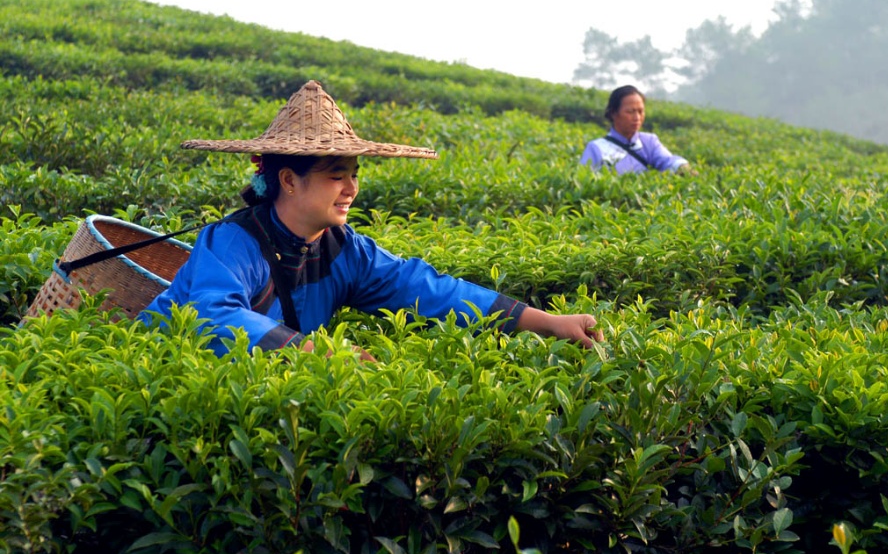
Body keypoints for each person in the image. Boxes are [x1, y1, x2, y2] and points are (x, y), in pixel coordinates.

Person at [140, 80, 602, 358]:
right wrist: (324, 353)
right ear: (289, 180)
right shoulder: (233, 242)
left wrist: (546, 321)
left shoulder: (344, 249)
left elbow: (427, 290)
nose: (352, 189)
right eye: (336, 175)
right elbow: (210, 316)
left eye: (354, 175)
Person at [580, 85, 695, 175]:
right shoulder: (596, 148)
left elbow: (667, 160)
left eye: (641, 111)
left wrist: (682, 167)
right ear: (613, 113)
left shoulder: (649, 141)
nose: (637, 118)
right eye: (630, 112)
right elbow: (584, 180)